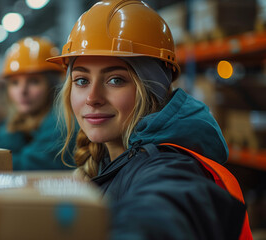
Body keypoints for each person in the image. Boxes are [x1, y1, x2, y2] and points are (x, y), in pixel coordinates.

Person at [47, 0, 253, 239]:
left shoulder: (169, 165)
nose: (92, 98)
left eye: (115, 80)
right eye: (82, 80)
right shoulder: (111, 161)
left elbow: (163, 208)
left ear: (152, 88)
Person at [0, 36, 75, 170]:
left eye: (34, 81)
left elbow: (25, 166)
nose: (22, 91)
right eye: (15, 83)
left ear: (52, 86)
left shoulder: (61, 124)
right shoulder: (21, 119)